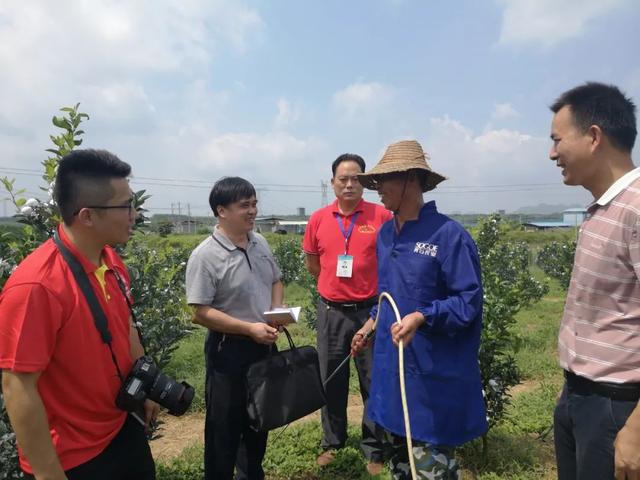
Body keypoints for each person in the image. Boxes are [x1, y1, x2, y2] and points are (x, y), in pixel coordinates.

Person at [0, 149, 157, 480]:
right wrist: (48, 474)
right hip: (72, 457)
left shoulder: (111, 262)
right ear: (87, 216)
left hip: (121, 428)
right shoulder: (36, 286)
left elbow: (125, 327)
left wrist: (145, 388)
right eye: (126, 205)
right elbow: (18, 386)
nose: (135, 214)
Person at [352, 140, 487, 479]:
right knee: (401, 466)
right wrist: (370, 325)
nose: (378, 189)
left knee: (430, 469)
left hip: (430, 378)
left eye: (385, 180)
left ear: (412, 179)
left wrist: (424, 316)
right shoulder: (385, 235)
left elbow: (467, 302)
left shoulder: (449, 236)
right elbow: (389, 295)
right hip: (392, 373)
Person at [548, 82, 640, 480]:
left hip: (618, 407)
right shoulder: (602, 209)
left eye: (556, 140)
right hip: (580, 395)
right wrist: (572, 382)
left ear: (594, 137)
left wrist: (636, 428)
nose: (552, 154)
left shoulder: (636, 209)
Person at [186, 176, 283, 480]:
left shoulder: (260, 242)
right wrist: (248, 328)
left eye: (254, 204)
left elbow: (276, 279)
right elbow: (200, 312)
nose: (253, 211)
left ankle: (251, 473)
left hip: (264, 345)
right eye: (245, 205)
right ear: (221, 211)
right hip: (228, 351)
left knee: (258, 421)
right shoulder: (205, 255)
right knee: (223, 429)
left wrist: (276, 311)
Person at [302, 153, 391, 473]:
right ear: (333, 183)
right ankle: (332, 442)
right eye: (343, 179)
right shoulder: (318, 219)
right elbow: (314, 264)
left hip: (371, 312)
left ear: (365, 182)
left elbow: (391, 265)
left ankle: (375, 446)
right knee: (331, 379)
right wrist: (335, 290)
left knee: (373, 380)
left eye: (356, 178)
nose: (350, 184)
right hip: (332, 313)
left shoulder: (381, 216)